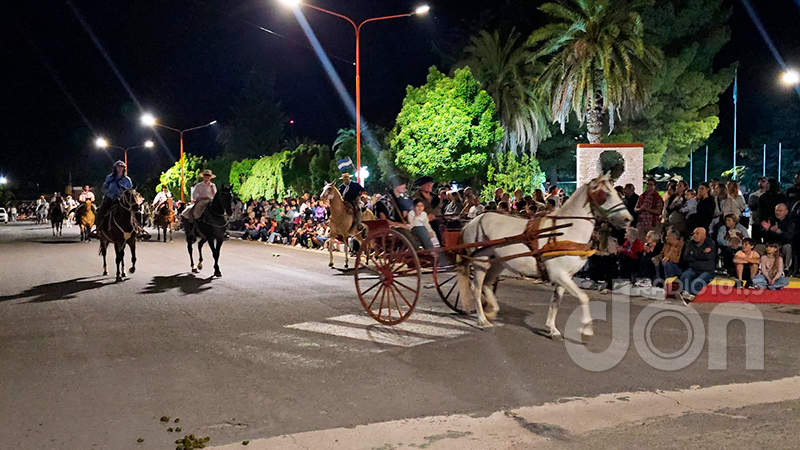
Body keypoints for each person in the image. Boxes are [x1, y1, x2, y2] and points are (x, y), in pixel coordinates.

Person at [676, 227, 717, 304]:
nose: (694, 235)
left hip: (706, 270)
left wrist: (694, 254)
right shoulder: (691, 243)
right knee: (685, 275)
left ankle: (690, 296)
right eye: (693, 233)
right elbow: (687, 257)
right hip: (693, 268)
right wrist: (702, 253)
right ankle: (685, 293)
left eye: (697, 233)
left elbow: (708, 257)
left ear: (704, 235)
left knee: (697, 282)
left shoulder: (710, 243)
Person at [97, 161, 133, 228]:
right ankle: (99, 228)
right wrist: (109, 192)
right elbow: (104, 188)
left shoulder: (127, 180)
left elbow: (130, 191)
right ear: (115, 168)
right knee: (101, 210)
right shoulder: (109, 177)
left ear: (124, 168)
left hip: (123, 199)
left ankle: (137, 229)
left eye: (122, 166)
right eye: (118, 166)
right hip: (110, 198)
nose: (120, 168)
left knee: (134, 210)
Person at [759, 203, 794, 270]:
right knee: (757, 247)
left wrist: (779, 231)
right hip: (771, 245)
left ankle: (786, 269)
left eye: (780, 211)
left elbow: (790, 237)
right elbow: (763, 236)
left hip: (782, 245)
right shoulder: (771, 219)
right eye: (776, 210)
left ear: (786, 212)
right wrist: (766, 230)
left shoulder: (790, 221)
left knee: (788, 247)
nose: (777, 213)